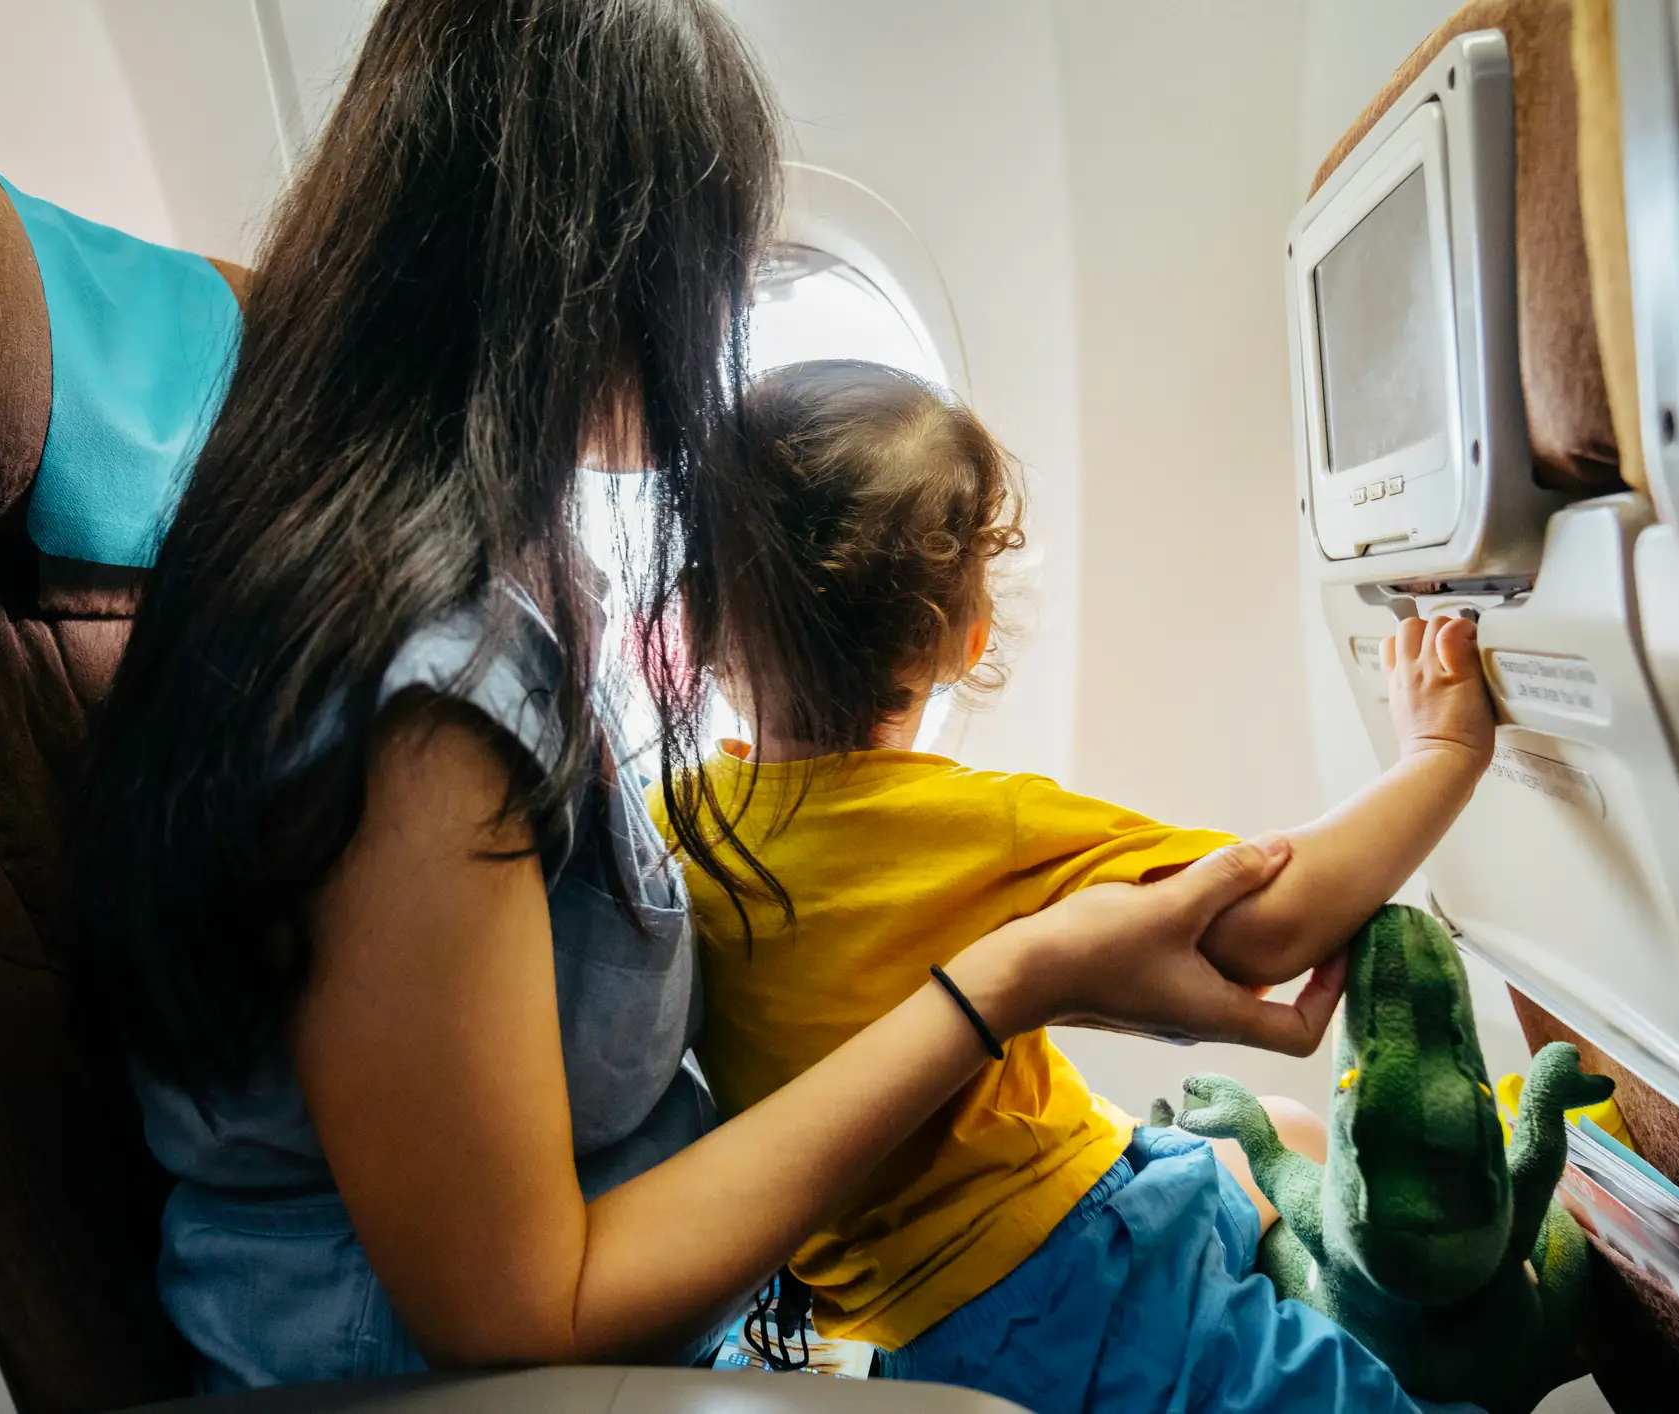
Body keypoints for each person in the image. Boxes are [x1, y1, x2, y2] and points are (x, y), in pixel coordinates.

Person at [74, 0, 1354, 1395]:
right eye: (712, 264)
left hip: (653, 1324)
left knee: (1252, 1152)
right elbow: (521, 1313)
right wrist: (1017, 974)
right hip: (471, 1384)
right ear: (607, 267)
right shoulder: (420, 699)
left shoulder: (469, 564)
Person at [649, 360, 1498, 1412]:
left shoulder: (674, 827)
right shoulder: (972, 825)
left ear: (695, 619)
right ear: (961, 637)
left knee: (1283, 1127)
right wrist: (1439, 753)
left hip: (890, 1321)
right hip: (1062, 1279)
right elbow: (1268, 925)